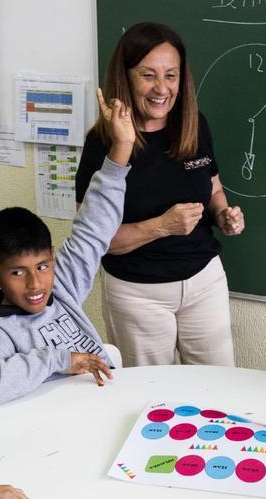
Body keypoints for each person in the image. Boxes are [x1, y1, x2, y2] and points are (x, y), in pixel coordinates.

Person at [75, 21, 244, 367]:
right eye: (148, 75)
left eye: (171, 75)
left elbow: (212, 185)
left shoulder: (195, 126)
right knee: (152, 398)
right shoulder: (103, 144)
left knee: (219, 389)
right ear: (126, 76)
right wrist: (163, 226)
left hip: (204, 280)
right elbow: (94, 241)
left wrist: (223, 213)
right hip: (138, 293)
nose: (161, 88)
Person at [0, 89, 133, 410]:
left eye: (41, 266)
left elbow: (95, 225)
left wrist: (122, 148)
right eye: (17, 272)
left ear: (52, 257)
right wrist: (57, 359)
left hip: (99, 409)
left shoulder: (61, 283)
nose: (35, 284)